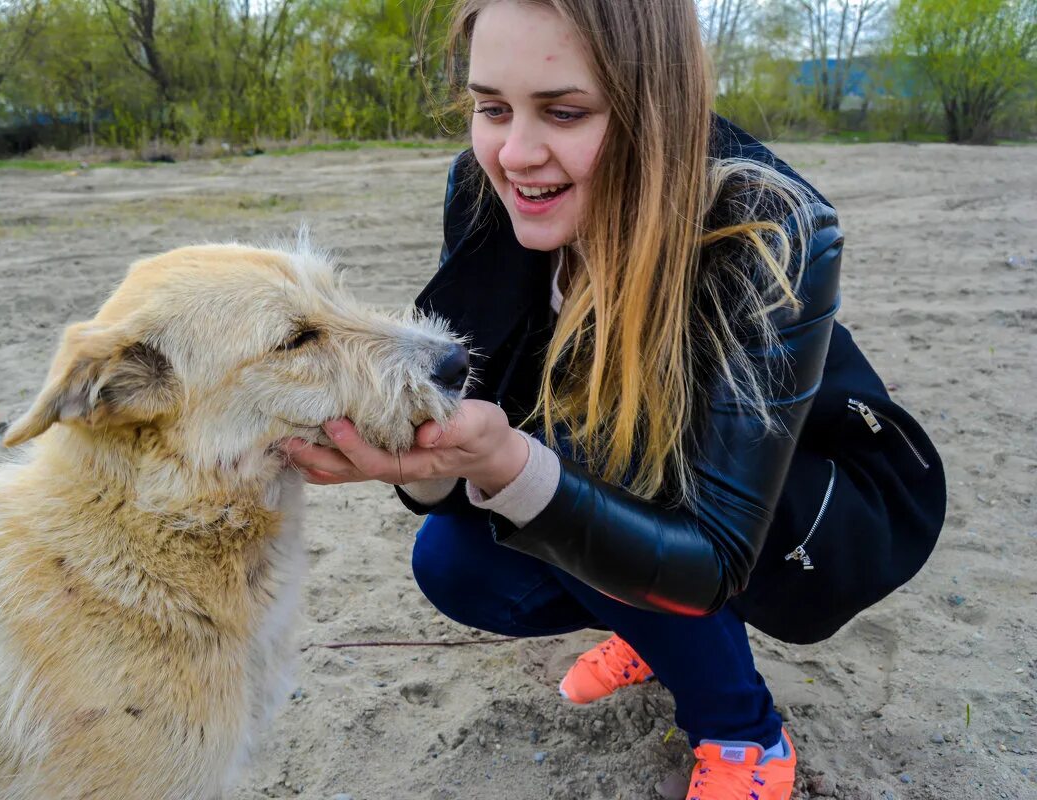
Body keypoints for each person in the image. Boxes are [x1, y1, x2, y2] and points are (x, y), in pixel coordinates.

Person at [283, 1, 946, 797]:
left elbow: (711, 555)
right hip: (620, 470)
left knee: (590, 453)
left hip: (802, 502)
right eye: (490, 107)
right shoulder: (483, 186)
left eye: (564, 112)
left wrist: (509, 458)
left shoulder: (769, 223)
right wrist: (422, 454)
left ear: (653, 103)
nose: (515, 153)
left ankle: (744, 733)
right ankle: (654, 628)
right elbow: (470, 411)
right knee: (455, 563)